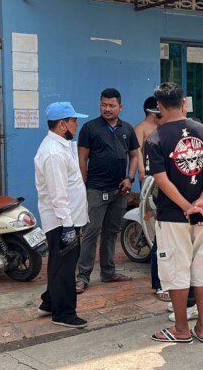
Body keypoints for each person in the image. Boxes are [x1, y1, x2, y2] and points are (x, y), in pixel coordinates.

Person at [145, 82, 203, 344]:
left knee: (177, 270)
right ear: (183, 103)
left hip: (173, 216)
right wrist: (201, 202)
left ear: (159, 106)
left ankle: (181, 329)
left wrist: (185, 206)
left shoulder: (155, 139)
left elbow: (161, 179)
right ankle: (202, 328)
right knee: (202, 268)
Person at [76, 88, 140, 292]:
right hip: (96, 189)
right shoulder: (89, 128)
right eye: (103, 105)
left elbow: (135, 155)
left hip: (119, 190)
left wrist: (130, 178)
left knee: (112, 232)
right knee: (91, 232)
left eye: (111, 105)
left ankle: (108, 272)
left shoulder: (127, 129)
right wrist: (84, 184)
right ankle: (83, 276)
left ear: (120, 107)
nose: (107, 109)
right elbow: (82, 158)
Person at [34, 102, 90, 328]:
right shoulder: (53, 153)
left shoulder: (62, 146)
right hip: (62, 221)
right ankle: (64, 313)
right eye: (73, 120)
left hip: (70, 218)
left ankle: (50, 302)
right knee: (65, 268)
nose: (77, 124)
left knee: (60, 263)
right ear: (62, 124)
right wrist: (67, 225)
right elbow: (58, 194)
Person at [134, 96, 162, 185]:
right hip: (148, 171)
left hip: (163, 170)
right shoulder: (140, 128)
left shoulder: (162, 126)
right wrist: (141, 170)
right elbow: (137, 150)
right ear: (153, 112)